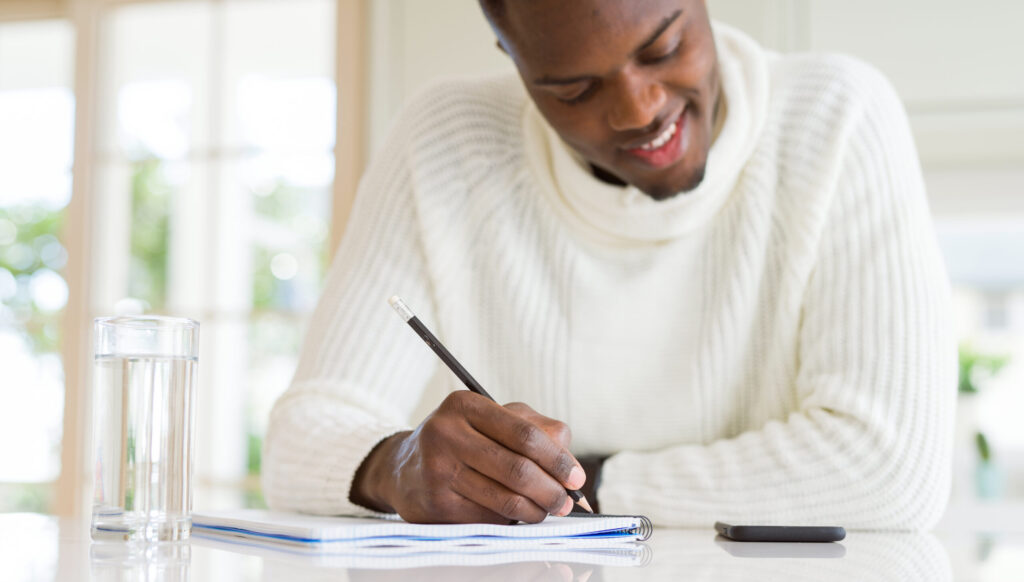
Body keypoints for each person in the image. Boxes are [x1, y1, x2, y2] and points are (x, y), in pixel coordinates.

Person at [262, 0, 955, 529]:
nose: (639, 111)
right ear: (511, 57)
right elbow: (299, 443)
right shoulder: (447, 142)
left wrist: (578, 488)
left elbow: (889, 470)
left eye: (663, 47)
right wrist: (395, 466)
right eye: (574, 89)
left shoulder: (838, 116)